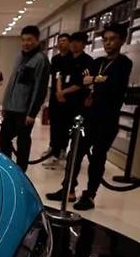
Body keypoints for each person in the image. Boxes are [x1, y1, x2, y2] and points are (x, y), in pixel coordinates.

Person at [47, 23, 132, 210]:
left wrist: (93, 80)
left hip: (107, 119)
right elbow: (80, 81)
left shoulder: (123, 63)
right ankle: (68, 189)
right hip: (88, 116)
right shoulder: (98, 62)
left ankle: (90, 195)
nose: (108, 43)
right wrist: (98, 80)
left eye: (112, 39)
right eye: (105, 39)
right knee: (75, 153)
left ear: (122, 40)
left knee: (98, 158)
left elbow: (113, 85)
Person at [0, 25, 50, 172]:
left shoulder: (41, 60)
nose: (26, 43)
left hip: (25, 111)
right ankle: (7, 167)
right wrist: (5, 105)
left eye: (30, 39)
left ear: (37, 40)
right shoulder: (20, 57)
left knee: (23, 141)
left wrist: (32, 113)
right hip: (11, 108)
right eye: (24, 40)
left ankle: (21, 171)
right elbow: (12, 83)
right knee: (4, 137)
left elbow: (40, 88)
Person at [45, 32, 94, 170]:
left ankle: (69, 157)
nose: (74, 44)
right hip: (61, 100)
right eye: (73, 41)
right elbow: (59, 76)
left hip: (76, 102)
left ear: (84, 44)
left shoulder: (88, 61)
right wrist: (59, 91)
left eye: (78, 42)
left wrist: (64, 92)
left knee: (72, 131)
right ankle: (55, 153)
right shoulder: (66, 59)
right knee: (57, 127)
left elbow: (82, 83)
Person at [42, 33, 72, 168]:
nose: (61, 43)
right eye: (59, 41)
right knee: (54, 123)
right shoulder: (55, 59)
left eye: (64, 41)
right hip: (55, 96)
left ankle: (62, 149)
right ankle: (53, 147)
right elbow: (54, 76)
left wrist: (62, 92)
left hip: (67, 98)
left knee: (64, 125)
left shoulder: (72, 58)